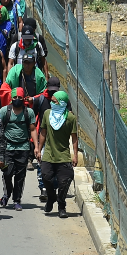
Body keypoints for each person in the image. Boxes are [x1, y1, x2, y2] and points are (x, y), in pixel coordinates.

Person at [37, 90, 78, 218]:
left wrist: (75, 155)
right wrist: (39, 149)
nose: (52, 103)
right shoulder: (47, 114)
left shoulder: (70, 118)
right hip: (49, 154)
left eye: (54, 102)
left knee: (65, 181)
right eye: (51, 101)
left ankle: (61, 206)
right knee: (46, 177)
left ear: (62, 103)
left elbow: (74, 138)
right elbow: (43, 132)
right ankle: (51, 198)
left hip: (63, 155)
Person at [0, 86, 37, 211]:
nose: (17, 99)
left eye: (20, 97)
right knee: (7, 173)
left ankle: (17, 200)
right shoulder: (4, 111)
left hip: (23, 147)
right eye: (15, 97)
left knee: (20, 176)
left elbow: (32, 129)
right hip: (8, 147)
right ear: (11, 98)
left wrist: (36, 146)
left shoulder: (28, 112)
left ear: (24, 98)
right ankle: (6, 194)